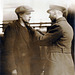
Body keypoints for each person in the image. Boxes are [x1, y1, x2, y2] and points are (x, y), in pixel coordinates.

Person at [35, 5, 74, 75]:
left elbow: (42, 41)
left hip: (56, 63)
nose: (49, 16)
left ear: (55, 12)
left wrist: (33, 31)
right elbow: (52, 37)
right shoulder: (67, 25)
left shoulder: (58, 26)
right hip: (65, 61)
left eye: (50, 13)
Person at [3, 5, 42, 75]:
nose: (30, 16)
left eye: (30, 14)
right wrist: (12, 68)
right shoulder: (12, 28)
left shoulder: (29, 29)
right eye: (28, 14)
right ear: (20, 15)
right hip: (19, 66)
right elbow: (8, 50)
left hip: (30, 65)